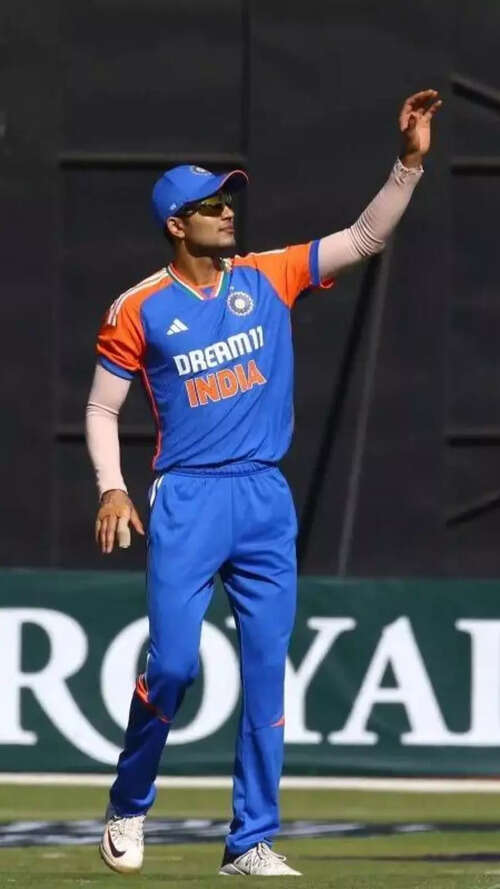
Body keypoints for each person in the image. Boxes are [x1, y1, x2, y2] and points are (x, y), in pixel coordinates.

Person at [86, 89, 442, 877]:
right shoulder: (141, 307)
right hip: (188, 496)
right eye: (212, 206)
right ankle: (129, 802)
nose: (228, 213)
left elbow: (364, 237)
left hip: (262, 497)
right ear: (177, 224)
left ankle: (250, 839)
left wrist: (408, 165)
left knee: (265, 673)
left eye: (229, 201)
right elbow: (102, 406)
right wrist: (112, 485)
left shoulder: (267, 275)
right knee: (172, 665)